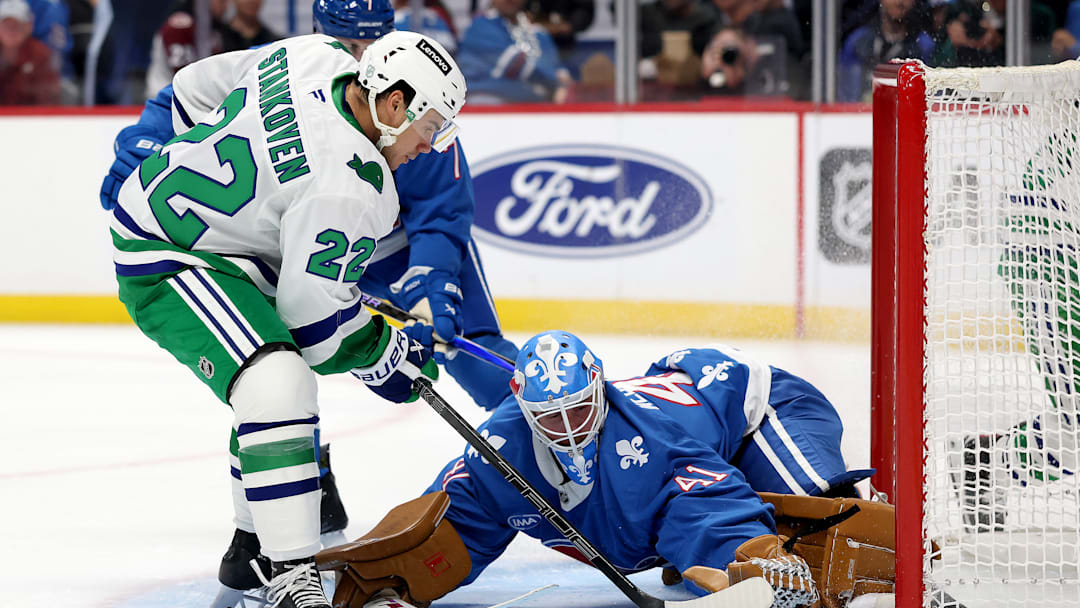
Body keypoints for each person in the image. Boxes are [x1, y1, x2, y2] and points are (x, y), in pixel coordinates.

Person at [109, 30, 465, 608]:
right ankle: (289, 576)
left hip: (219, 244)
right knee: (277, 381)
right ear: (394, 104)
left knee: (269, 381)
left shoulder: (310, 54)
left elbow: (192, 88)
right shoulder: (355, 189)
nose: (429, 146)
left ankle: (252, 545)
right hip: (166, 251)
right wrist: (386, 355)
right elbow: (317, 330)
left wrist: (170, 154)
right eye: (430, 126)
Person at [319, 331, 879, 608]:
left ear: (600, 388)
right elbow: (448, 525)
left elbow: (709, 505)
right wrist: (385, 582)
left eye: (581, 410)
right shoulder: (500, 449)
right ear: (522, 405)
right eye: (550, 418)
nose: (569, 431)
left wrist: (747, 556)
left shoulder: (648, 444)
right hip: (695, 442)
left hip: (761, 409)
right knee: (703, 540)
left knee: (818, 534)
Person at [456, 0, 573, 104]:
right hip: (488, 99)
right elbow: (515, 63)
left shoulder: (539, 33)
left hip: (531, 102)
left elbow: (560, 71)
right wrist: (555, 82)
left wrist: (560, 82)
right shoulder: (481, 25)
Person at [837, 0, 934, 103]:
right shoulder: (858, 42)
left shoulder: (924, 46)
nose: (899, 2)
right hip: (862, 115)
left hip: (905, 116)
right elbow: (848, 97)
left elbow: (931, 97)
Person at [0, 0, 60, 105]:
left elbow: (48, 101)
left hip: (31, 118)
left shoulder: (41, 55)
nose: (11, 30)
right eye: (6, 25)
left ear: (28, 26)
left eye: (16, 25)